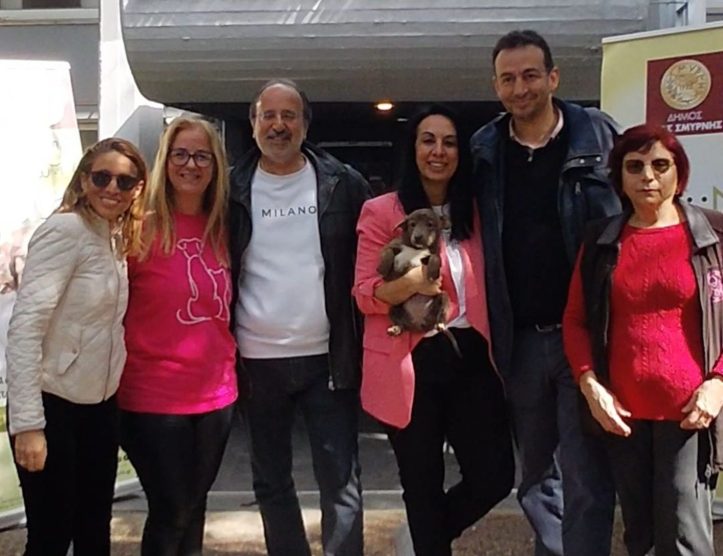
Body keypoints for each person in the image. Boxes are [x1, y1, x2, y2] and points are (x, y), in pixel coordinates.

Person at [470, 29, 620, 555]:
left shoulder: (599, 135)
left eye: (531, 75)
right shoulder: (484, 149)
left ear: (553, 78)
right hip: (521, 340)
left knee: (586, 475)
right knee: (536, 477)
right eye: (508, 79)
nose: (520, 88)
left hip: (585, 335)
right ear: (496, 86)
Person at [353, 104, 514, 556]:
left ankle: (426, 539)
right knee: (421, 485)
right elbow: (364, 293)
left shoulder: (476, 211)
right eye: (428, 140)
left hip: (470, 355)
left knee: (494, 476)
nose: (438, 151)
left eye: (449, 142)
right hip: (408, 359)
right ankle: (428, 540)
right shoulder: (382, 211)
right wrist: (410, 285)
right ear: (413, 148)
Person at [563, 124, 723, 556]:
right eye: (635, 166)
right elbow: (575, 321)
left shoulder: (713, 235)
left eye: (660, 165)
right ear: (619, 177)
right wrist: (590, 386)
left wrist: (718, 382)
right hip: (623, 414)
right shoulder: (601, 240)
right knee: (641, 537)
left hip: (690, 414)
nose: (648, 176)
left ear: (679, 174)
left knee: (684, 536)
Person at [229, 78, 370, 556]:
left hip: (327, 357)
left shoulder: (344, 184)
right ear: (253, 124)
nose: (278, 125)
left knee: (341, 481)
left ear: (305, 126)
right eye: (268, 115)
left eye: (289, 116)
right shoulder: (229, 189)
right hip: (255, 359)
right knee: (271, 480)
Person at [5, 137, 146, 555]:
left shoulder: (114, 236)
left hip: (98, 406)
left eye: (124, 181)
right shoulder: (65, 230)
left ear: (137, 188)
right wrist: (28, 425)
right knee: (50, 537)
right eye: (102, 177)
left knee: (93, 530)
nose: (112, 188)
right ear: (84, 180)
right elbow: (25, 327)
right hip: (52, 405)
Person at [118, 117, 238, 556]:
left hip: (216, 395)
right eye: (181, 154)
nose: (191, 165)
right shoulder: (136, 228)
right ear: (165, 160)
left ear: (216, 165)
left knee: (194, 506)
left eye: (202, 156)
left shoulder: (225, 227)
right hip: (150, 396)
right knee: (172, 510)